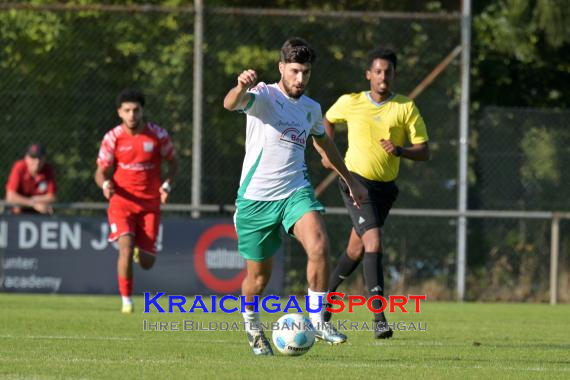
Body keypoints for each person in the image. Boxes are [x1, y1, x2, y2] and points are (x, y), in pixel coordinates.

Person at [223, 37, 367, 356]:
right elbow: (231, 103)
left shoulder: (311, 108)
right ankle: (251, 324)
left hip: (295, 192)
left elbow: (323, 143)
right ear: (281, 69)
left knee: (319, 245)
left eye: (306, 72)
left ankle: (317, 318)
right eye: (295, 71)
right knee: (258, 280)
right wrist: (240, 86)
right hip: (255, 200)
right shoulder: (263, 95)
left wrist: (350, 179)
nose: (300, 79)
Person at [322, 47, 430, 339]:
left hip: (385, 189)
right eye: (378, 71)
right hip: (354, 180)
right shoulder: (351, 101)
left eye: (389, 72)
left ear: (395, 75)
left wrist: (401, 150)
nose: (383, 76)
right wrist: (327, 151)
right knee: (374, 239)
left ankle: (321, 310)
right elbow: (327, 120)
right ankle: (379, 318)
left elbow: (424, 151)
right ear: (369, 74)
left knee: (356, 249)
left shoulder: (405, 107)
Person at [95, 89, 179, 314]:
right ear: (119, 113)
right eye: (127, 111)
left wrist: (167, 185)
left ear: (142, 111)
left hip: (150, 205)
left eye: (136, 110)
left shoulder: (158, 135)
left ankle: (139, 252)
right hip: (121, 203)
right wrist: (105, 184)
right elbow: (100, 171)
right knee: (125, 248)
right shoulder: (112, 137)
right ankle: (126, 302)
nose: (132, 114)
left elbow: (174, 163)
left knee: (147, 262)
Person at [5, 143, 57, 215]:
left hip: (39, 211)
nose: (37, 162)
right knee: (15, 208)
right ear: (26, 158)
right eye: (33, 157)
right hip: (18, 211)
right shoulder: (19, 167)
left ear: (44, 158)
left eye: (39, 158)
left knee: (48, 210)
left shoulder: (48, 169)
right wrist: (33, 204)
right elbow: (10, 197)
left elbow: (52, 197)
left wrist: (35, 200)